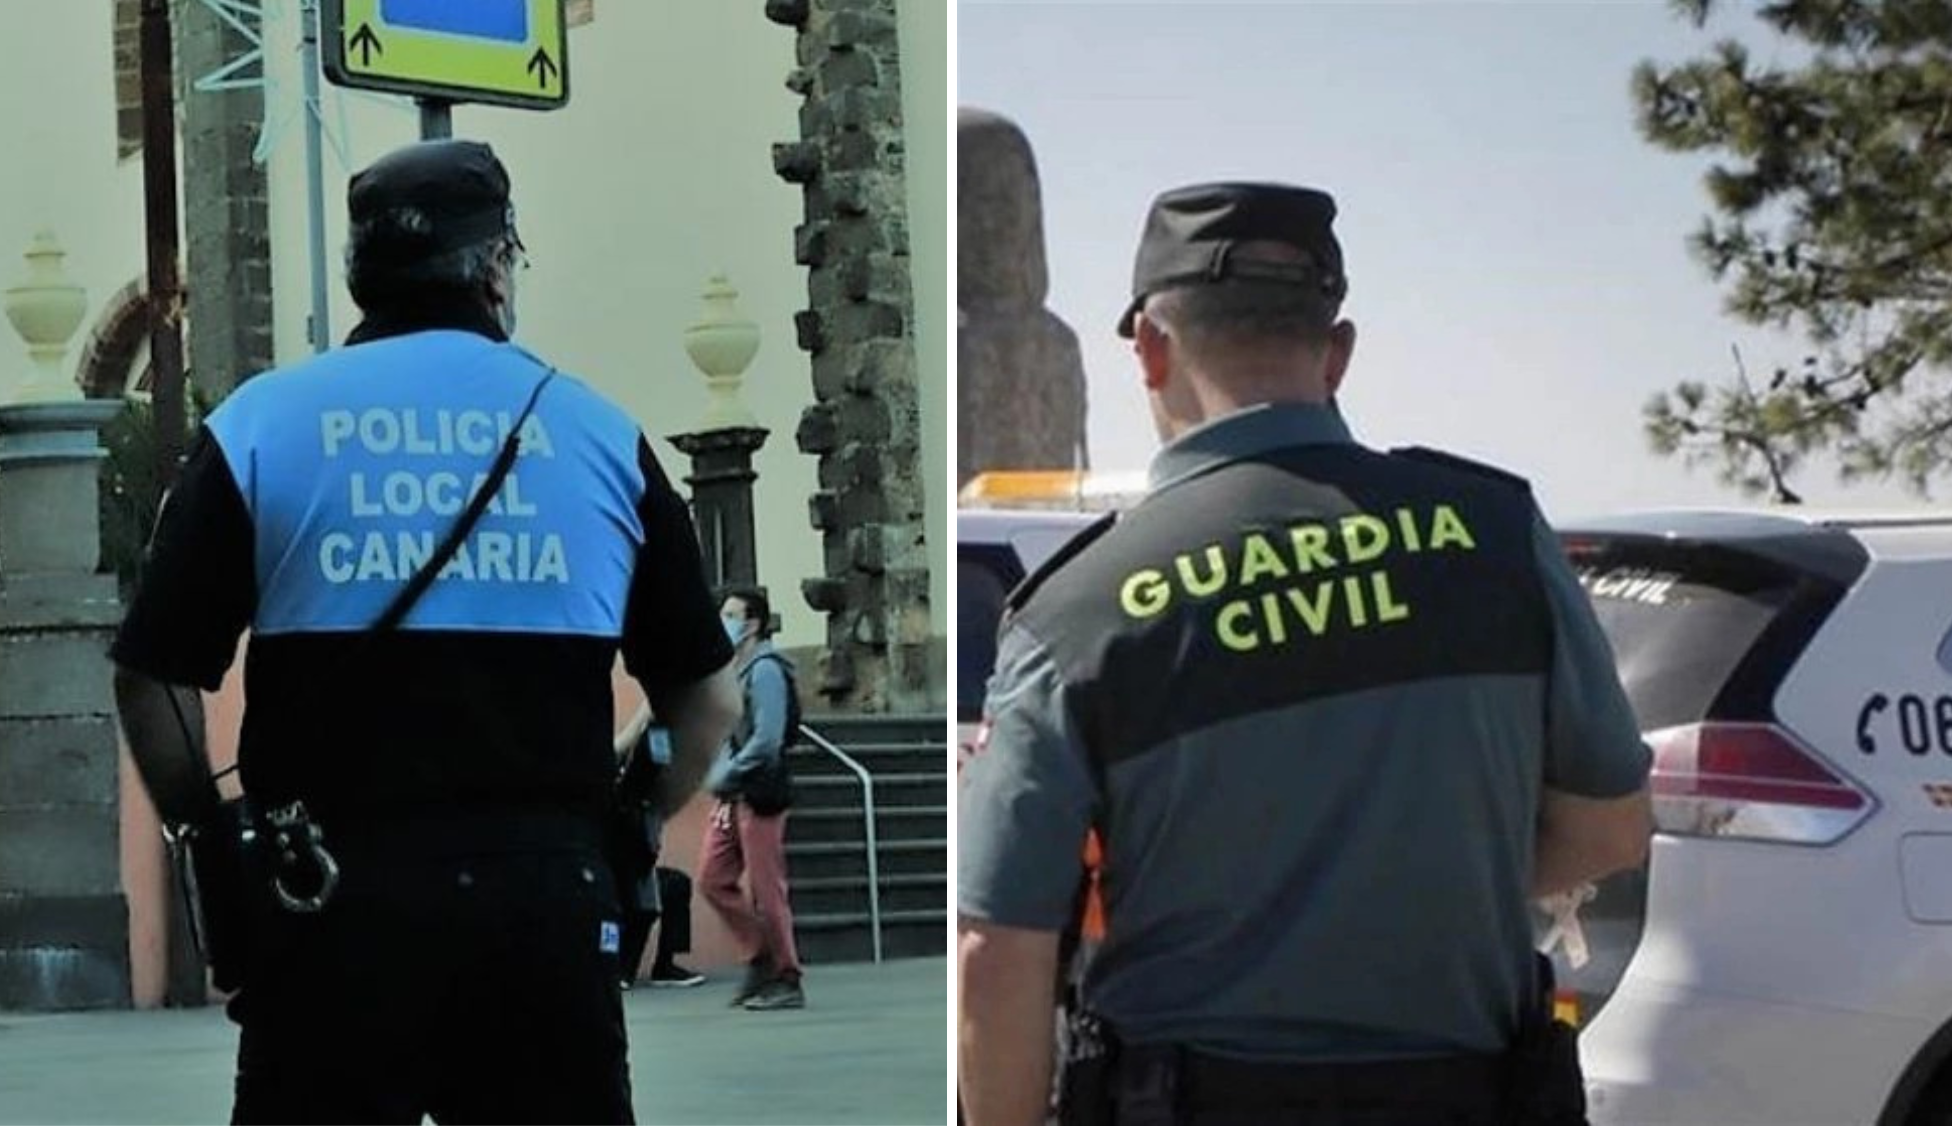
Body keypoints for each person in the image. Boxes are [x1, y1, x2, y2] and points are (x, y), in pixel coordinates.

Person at [956, 181, 1655, 1126]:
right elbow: (1610, 828)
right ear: (1338, 353)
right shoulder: (1495, 534)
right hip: (1464, 1093)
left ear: (1150, 350)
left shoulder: (1078, 608)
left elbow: (998, 944)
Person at [109, 139, 742, 1125]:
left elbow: (152, 674)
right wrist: (628, 817)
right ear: (496, 264)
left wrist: (210, 834)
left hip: (328, 903)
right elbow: (706, 699)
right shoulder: (596, 434)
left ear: (364, 273)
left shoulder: (264, 424)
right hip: (542, 902)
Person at [698, 585, 807, 1011]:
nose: (725, 620)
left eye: (732, 614)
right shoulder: (737, 667)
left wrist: (727, 773)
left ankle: (785, 975)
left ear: (754, 623)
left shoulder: (765, 670)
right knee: (712, 878)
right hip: (734, 793)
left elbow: (767, 739)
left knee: (767, 889)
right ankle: (760, 954)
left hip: (760, 791)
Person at [609, 715, 704, 989]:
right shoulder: (626, 788)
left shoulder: (651, 792)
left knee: (674, 885)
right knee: (641, 904)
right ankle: (620, 970)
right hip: (620, 857)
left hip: (638, 852)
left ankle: (663, 966)